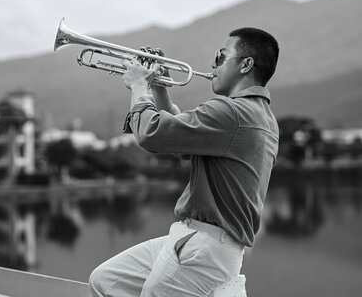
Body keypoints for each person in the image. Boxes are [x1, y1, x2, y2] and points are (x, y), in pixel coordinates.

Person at [89, 28, 280, 297]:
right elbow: (181, 140)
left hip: (205, 244)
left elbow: (150, 134)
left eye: (220, 57)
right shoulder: (260, 117)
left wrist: (139, 86)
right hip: (200, 239)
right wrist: (160, 90)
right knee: (105, 281)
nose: (212, 65)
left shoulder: (231, 112)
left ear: (246, 64)